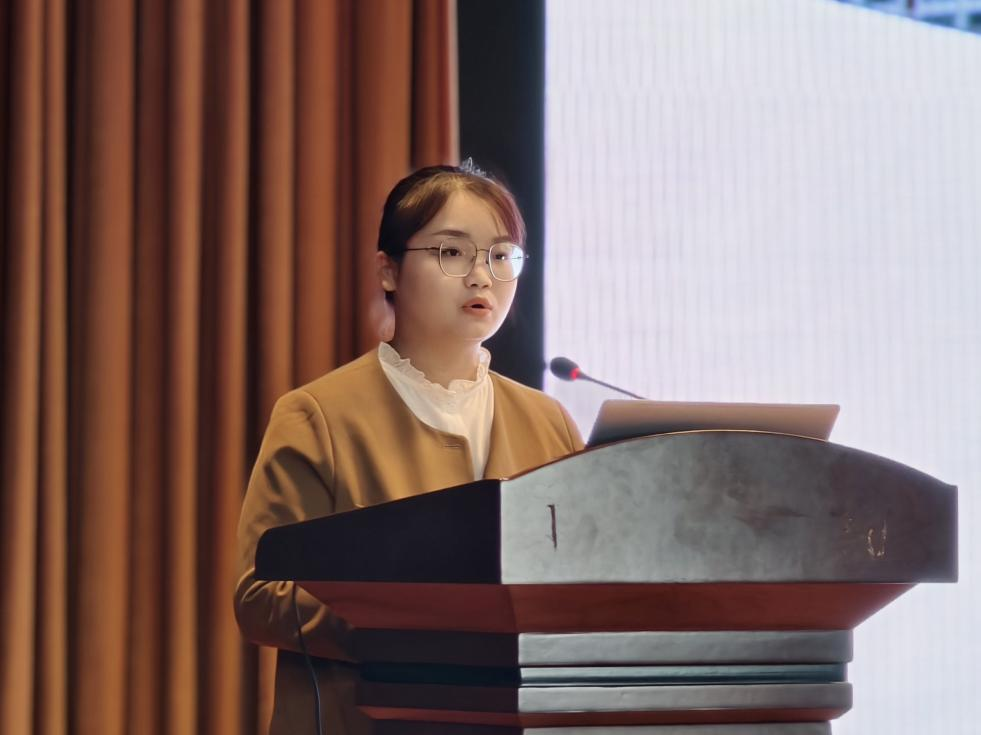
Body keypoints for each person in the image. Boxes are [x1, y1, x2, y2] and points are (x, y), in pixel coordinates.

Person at [234, 162, 584, 735]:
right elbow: (260, 595)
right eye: (452, 252)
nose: (482, 276)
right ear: (388, 270)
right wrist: (420, 622)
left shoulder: (550, 422)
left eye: (501, 255)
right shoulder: (318, 415)